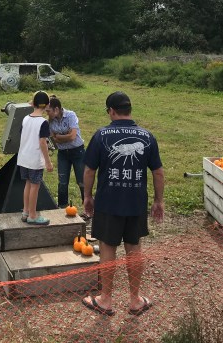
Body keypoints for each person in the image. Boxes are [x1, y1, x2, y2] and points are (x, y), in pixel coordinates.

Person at [81, 91, 164, 317]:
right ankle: (135, 300)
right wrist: (158, 201)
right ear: (129, 110)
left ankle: (105, 299)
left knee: (107, 248)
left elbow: (89, 170)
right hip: (136, 203)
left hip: (108, 203)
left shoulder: (101, 135)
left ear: (111, 111)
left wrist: (87, 197)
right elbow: (158, 172)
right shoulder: (148, 136)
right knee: (134, 249)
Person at [18, 90, 54, 225]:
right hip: (34, 160)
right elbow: (42, 142)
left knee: (28, 184)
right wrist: (48, 162)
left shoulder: (25, 118)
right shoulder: (43, 122)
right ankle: (33, 216)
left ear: (33, 103)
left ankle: (25, 212)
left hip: (24, 158)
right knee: (35, 186)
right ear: (47, 105)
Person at [46, 95, 86, 209]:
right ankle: (62, 207)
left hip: (78, 152)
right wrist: (65, 136)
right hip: (63, 153)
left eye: (48, 111)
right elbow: (52, 139)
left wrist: (58, 136)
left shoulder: (70, 115)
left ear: (56, 109)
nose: (47, 113)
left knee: (82, 181)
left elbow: (72, 136)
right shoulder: (50, 121)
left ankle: (87, 206)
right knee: (62, 182)